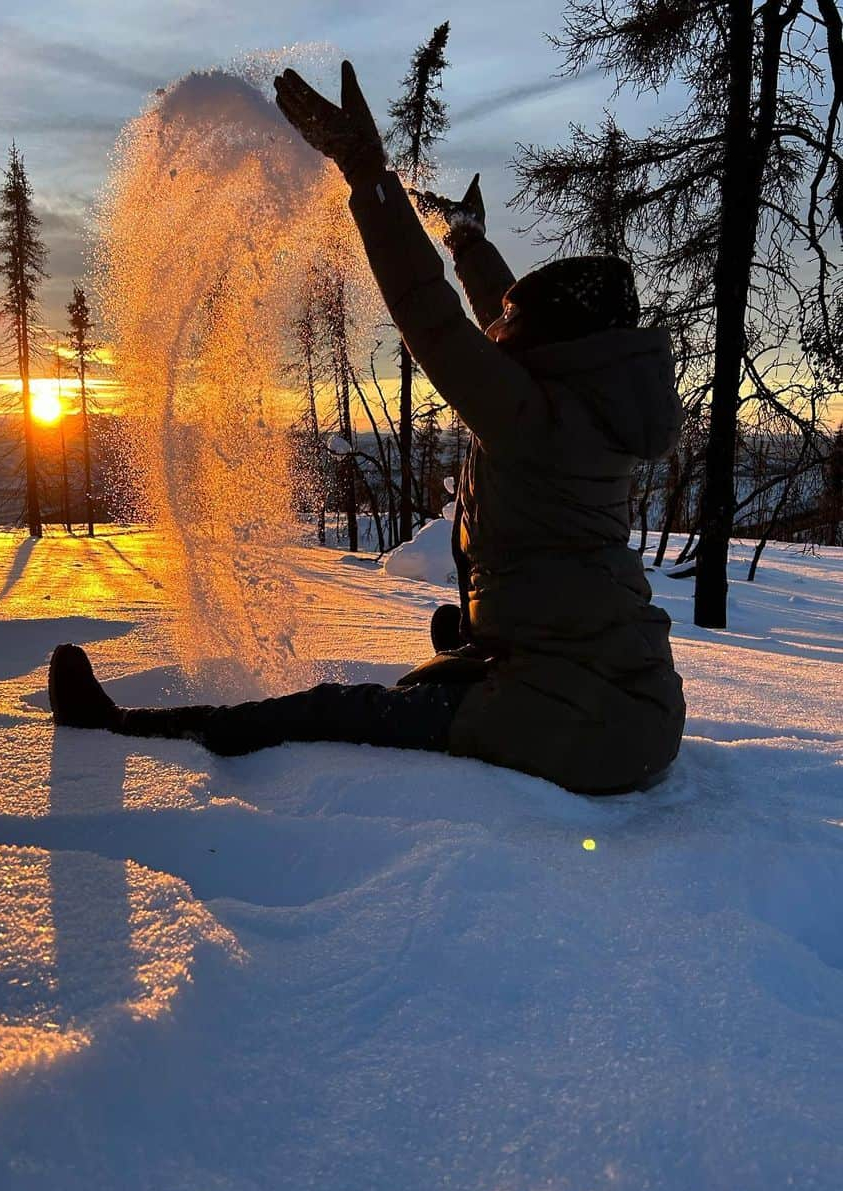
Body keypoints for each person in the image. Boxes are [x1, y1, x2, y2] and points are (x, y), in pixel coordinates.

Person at [48, 61, 686, 795]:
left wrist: (368, 174)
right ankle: (481, 654)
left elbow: (434, 319)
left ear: (553, 345)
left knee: (338, 713)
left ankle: (121, 730)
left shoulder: (537, 417)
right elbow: (488, 328)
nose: (505, 333)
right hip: (633, 697)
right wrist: (469, 243)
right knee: (452, 645)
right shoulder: (593, 398)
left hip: (583, 728)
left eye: (520, 327)